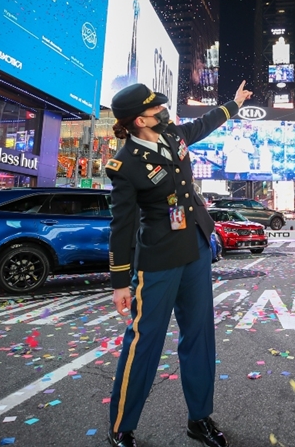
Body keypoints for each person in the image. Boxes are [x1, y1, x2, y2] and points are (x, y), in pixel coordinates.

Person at [105, 81, 252, 447]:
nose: (164, 112)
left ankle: (199, 419)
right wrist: (119, 281)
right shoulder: (124, 165)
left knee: (200, 337)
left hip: (196, 248)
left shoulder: (170, 135)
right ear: (139, 120)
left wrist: (232, 105)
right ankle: (122, 426)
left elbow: (200, 126)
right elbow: (121, 226)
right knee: (144, 341)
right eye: (156, 109)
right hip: (158, 259)